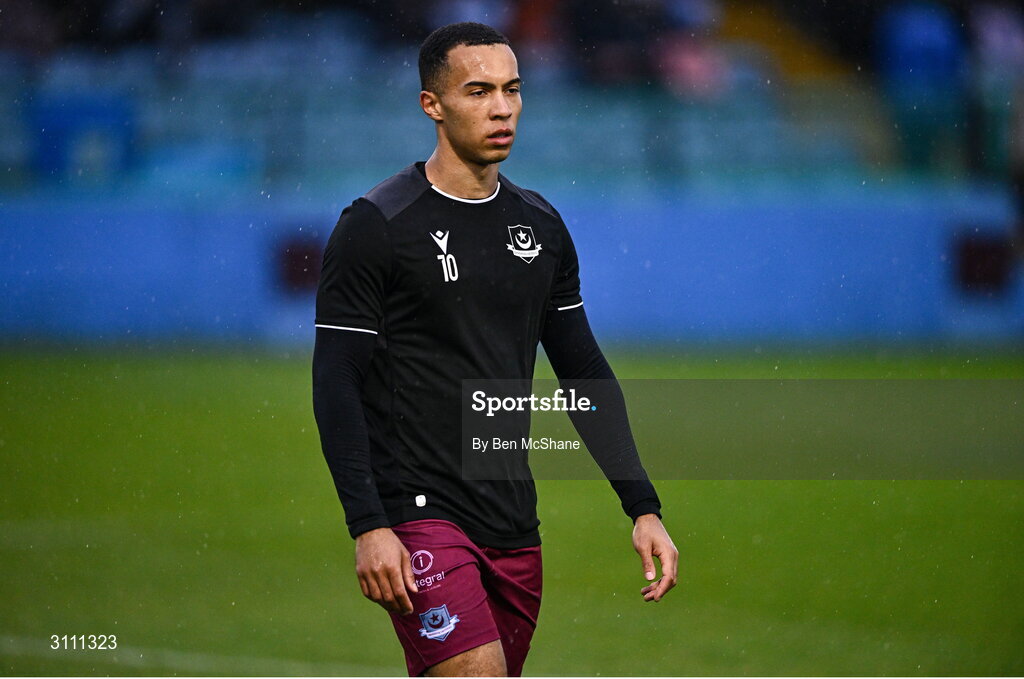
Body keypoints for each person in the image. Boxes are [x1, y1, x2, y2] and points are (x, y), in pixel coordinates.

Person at [312, 22, 677, 677]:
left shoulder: (539, 226)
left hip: (511, 521)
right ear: (433, 105)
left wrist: (642, 504)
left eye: (511, 89)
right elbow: (336, 377)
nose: (501, 107)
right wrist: (368, 523)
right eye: (478, 91)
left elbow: (583, 370)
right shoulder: (376, 226)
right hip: (417, 515)